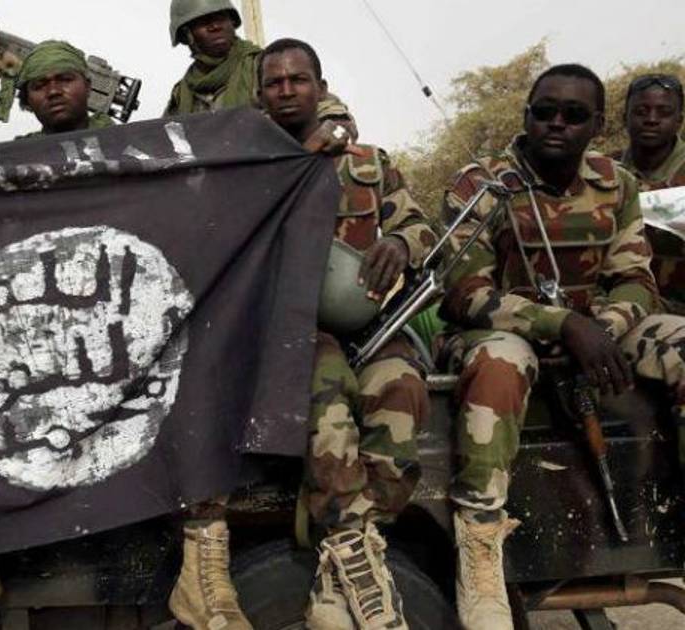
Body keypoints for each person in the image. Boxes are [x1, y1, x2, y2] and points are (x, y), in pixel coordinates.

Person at [0, 40, 254, 630]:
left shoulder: (136, 150)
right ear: (25, 98)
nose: (54, 91)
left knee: (191, 381)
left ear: (88, 86)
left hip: (128, 323)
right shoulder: (10, 163)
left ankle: (201, 568)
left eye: (65, 79)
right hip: (43, 333)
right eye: (40, 85)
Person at [438, 64, 685, 629]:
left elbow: (635, 279)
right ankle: (480, 551)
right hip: (503, 330)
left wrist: (603, 326)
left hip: (596, 328)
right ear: (526, 115)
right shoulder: (482, 184)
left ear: (597, 125)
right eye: (544, 111)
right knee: (500, 363)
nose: (556, 123)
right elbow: (465, 293)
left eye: (574, 115)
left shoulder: (616, 183)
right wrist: (562, 325)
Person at [258, 38, 436, 630]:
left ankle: (345, 554)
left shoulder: (368, 163)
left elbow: (419, 225)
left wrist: (400, 242)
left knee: (403, 390)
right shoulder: (250, 169)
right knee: (327, 395)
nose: (287, 91)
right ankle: (356, 559)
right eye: (275, 82)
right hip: (293, 331)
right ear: (261, 95)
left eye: (298, 80)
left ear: (320, 86)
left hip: (370, 324)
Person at [165, 0, 356, 152]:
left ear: (232, 22)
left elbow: (323, 106)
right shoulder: (183, 92)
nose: (215, 26)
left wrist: (335, 128)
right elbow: (164, 138)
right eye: (204, 22)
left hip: (268, 170)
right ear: (186, 34)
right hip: (209, 180)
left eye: (221, 18)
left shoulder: (263, 67)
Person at [615, 73, 685, 311]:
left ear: (679, 121)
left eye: (664, 112)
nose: (652, 120)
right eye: (641, 111)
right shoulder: (603, 172)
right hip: (620, 306)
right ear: (625, 117)